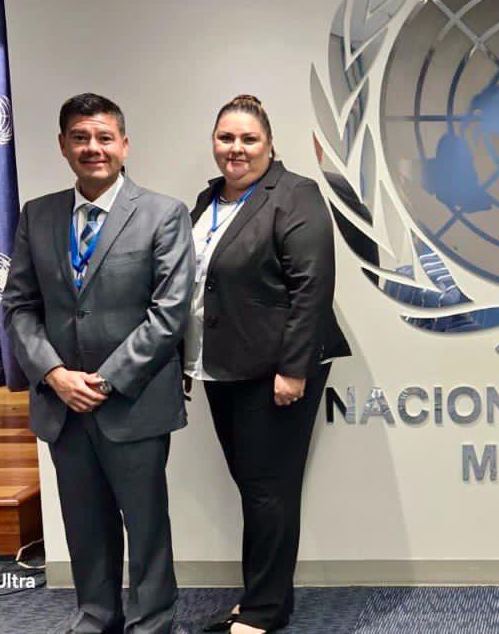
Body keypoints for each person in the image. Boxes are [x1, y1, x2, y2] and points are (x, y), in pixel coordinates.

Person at [2, 93, 195, 634]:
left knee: (147, 526)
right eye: (80, 137)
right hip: (62, 405)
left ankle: (152, 623)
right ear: (63, 145)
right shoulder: (37, 215)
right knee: (84, 525)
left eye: (104, 137)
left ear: (124, 145)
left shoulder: (163, 214)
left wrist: (105, 381)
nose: (93, 148)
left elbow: (169, 313)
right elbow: (20, 305)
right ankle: (96, 617)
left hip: (133, 403)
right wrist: (54, 375)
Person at [187, 95, 349, 634]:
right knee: (254, 489)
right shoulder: (208, 200)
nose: (236, 148)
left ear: (270, 145)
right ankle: (263, 597)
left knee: (268, 491)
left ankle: (263, 612)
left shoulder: (295, 195)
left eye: (248, 139)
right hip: (220, 367)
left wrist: (294, 369)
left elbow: (312, 287)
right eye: (226, 138)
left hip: (275, 369)